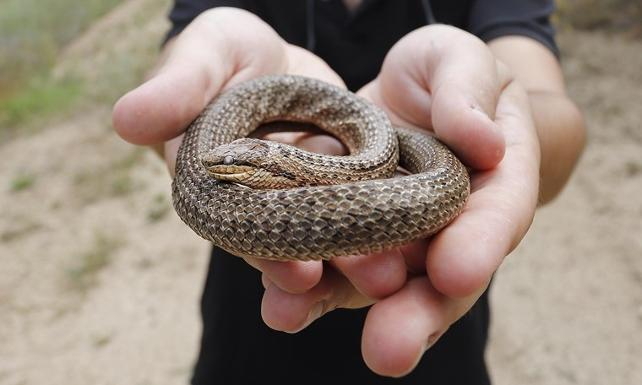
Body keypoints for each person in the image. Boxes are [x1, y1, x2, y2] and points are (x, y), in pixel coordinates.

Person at [113, 1, 586, 384]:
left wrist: (495, 113)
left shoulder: (331, 161)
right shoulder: (255, 163)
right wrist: (184, 95)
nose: (220, 165)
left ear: (269, 165)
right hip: (250, 328)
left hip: (428, 323)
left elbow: (554, 110)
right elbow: (171, 110)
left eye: (235, 162)